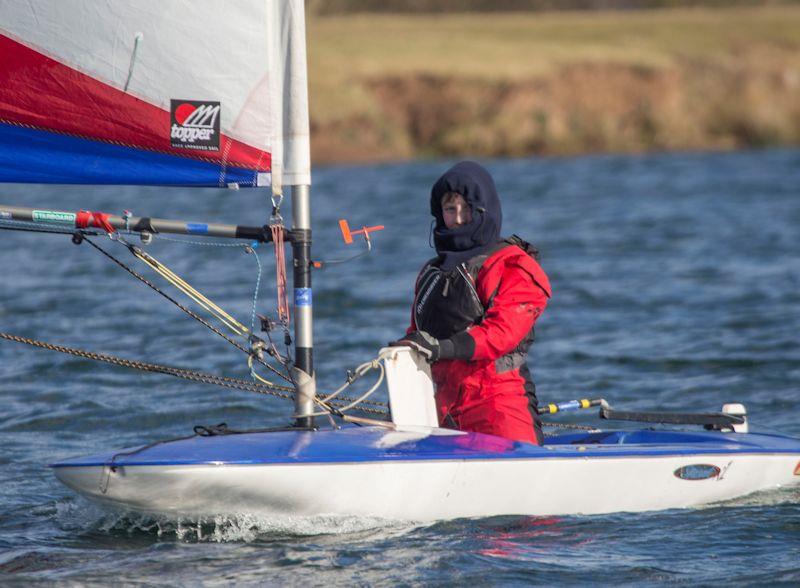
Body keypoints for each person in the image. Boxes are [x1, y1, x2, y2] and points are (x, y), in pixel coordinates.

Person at [392, 161, 551, 445]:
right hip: (441, 411)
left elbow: (501, 334)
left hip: (498, 406)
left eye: (468, 209)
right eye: (450, 210)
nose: (460, 218)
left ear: (485, 211)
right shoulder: (431, 273)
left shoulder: (513, 264)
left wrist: (443, 348)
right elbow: (417, 333)